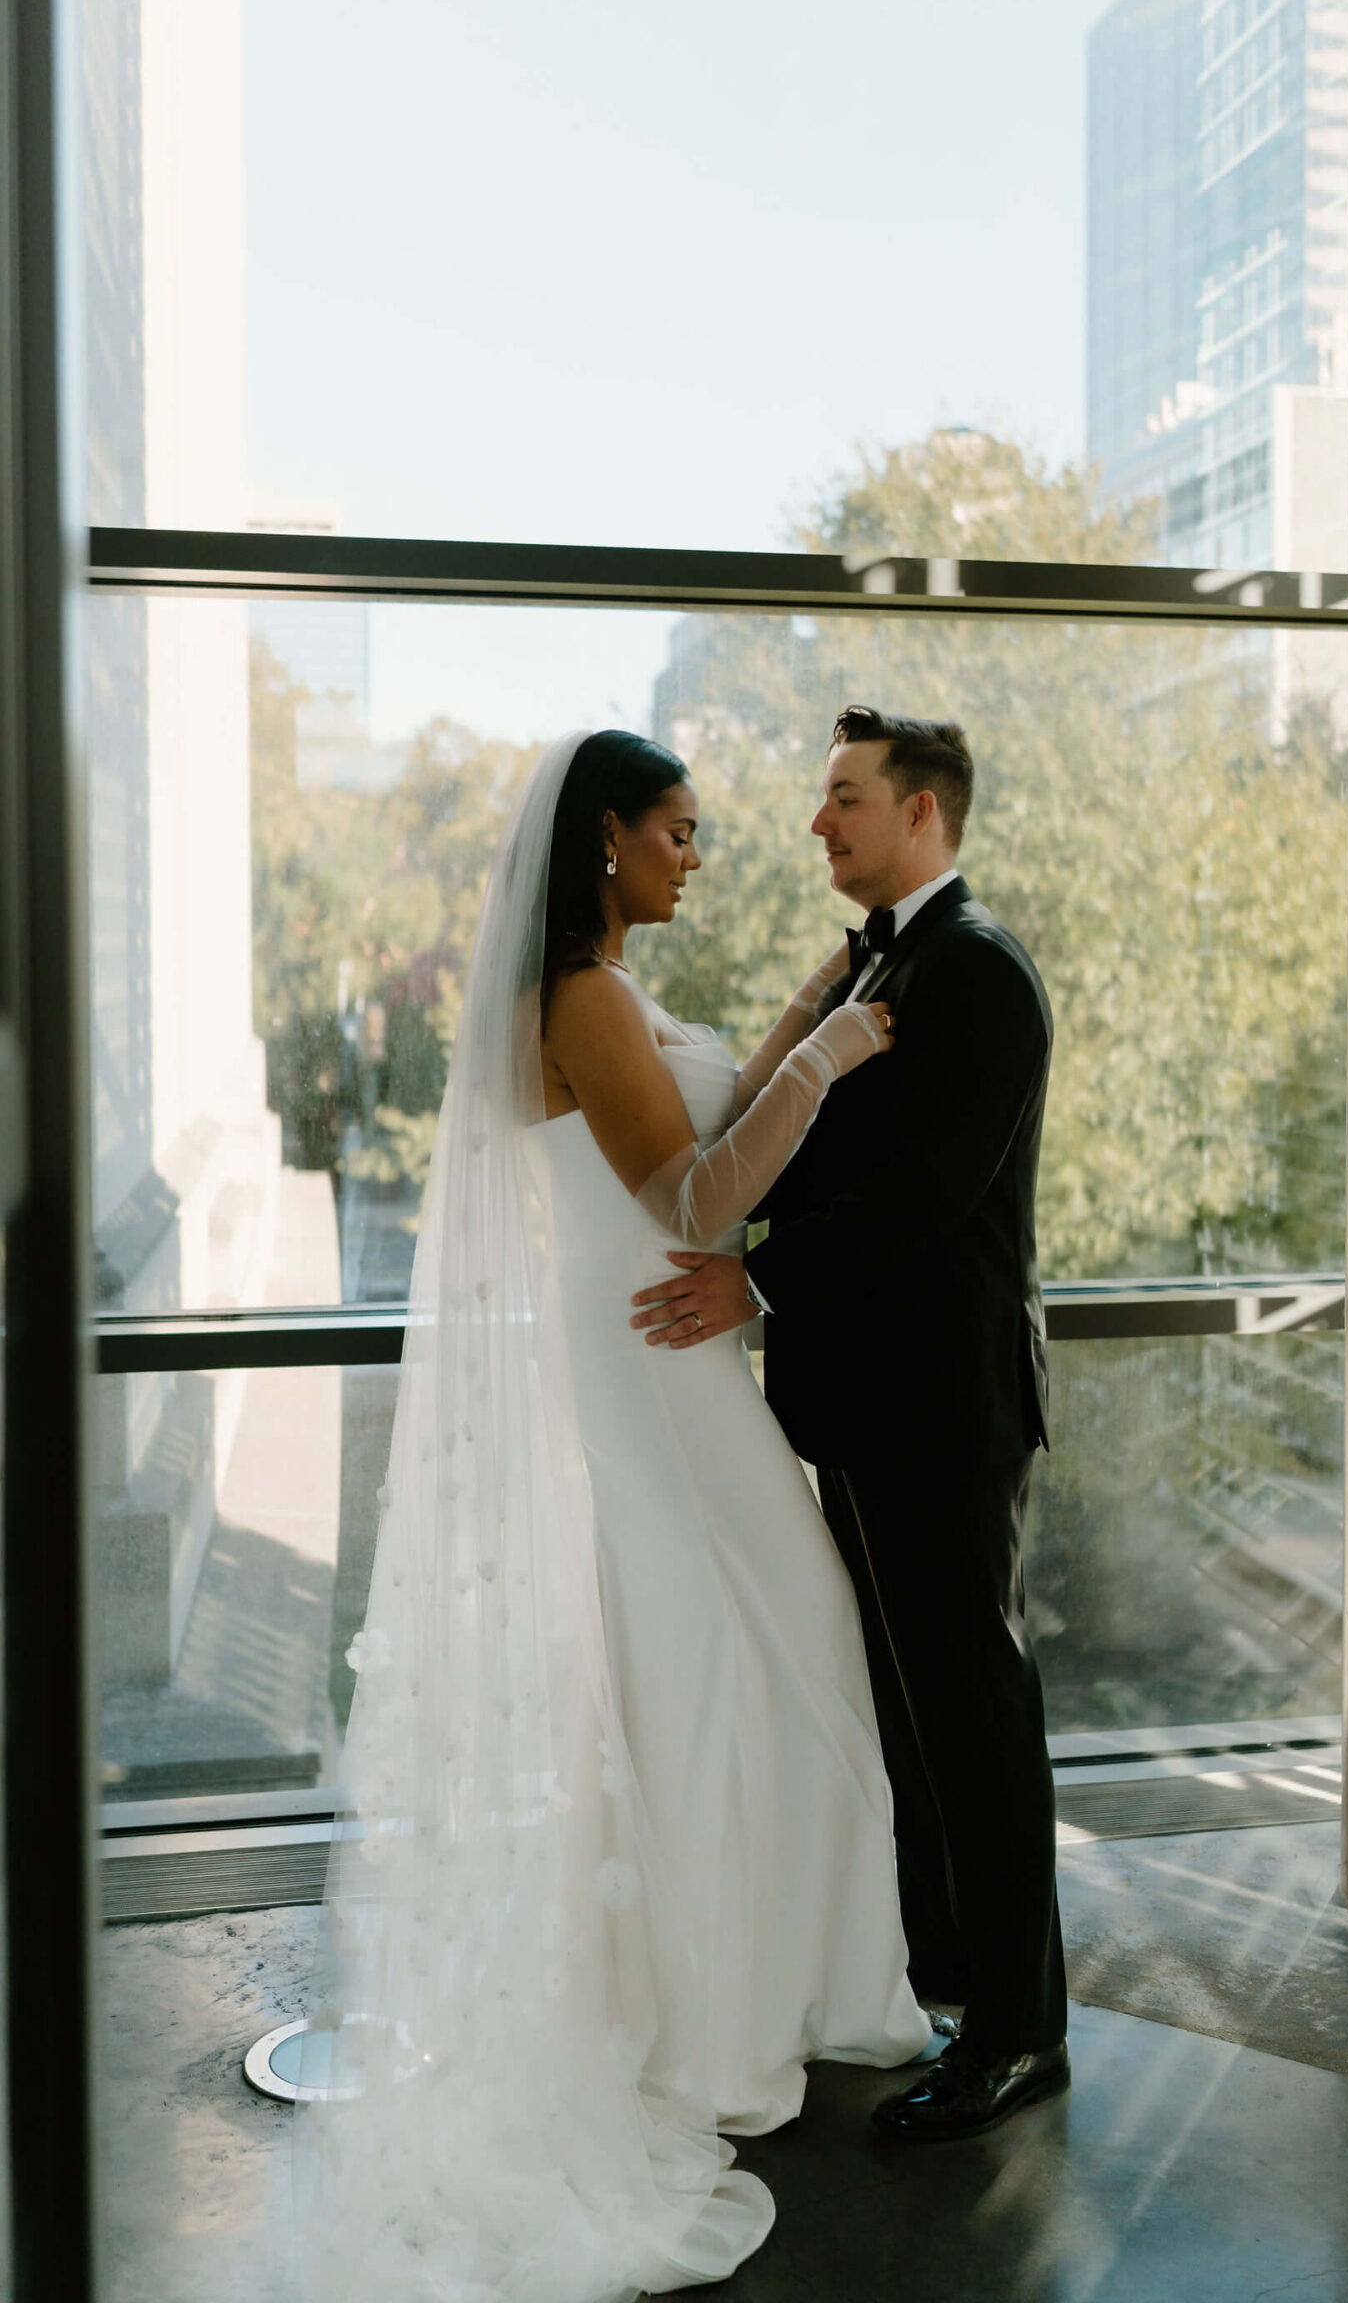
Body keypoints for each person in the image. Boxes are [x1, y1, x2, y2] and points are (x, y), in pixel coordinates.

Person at [299, 729, 931, 2301]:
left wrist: (812, 1008)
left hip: (658, 1346)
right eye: (679, 830)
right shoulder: (580, 998)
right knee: (744, 1655)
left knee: (730, 1653)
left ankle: (754, 1991)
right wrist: (834, 1060)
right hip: (660, 1356)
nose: (697, 854)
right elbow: (698, 1200)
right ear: (605, 843)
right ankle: (725, 2020)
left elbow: (693, 1116)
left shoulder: (605, 994)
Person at [630, 706, 1068, 2142]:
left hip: (942, 1408)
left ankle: (1017, 2034)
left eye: (846, 800)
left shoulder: (980, 975)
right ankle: (941, 1974)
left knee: (976, 1717)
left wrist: (750, 1277)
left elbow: (926, 1195)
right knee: (909, 1708)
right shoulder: (884, 960)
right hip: (870, 1401)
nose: (819, 823)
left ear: (925, 812)